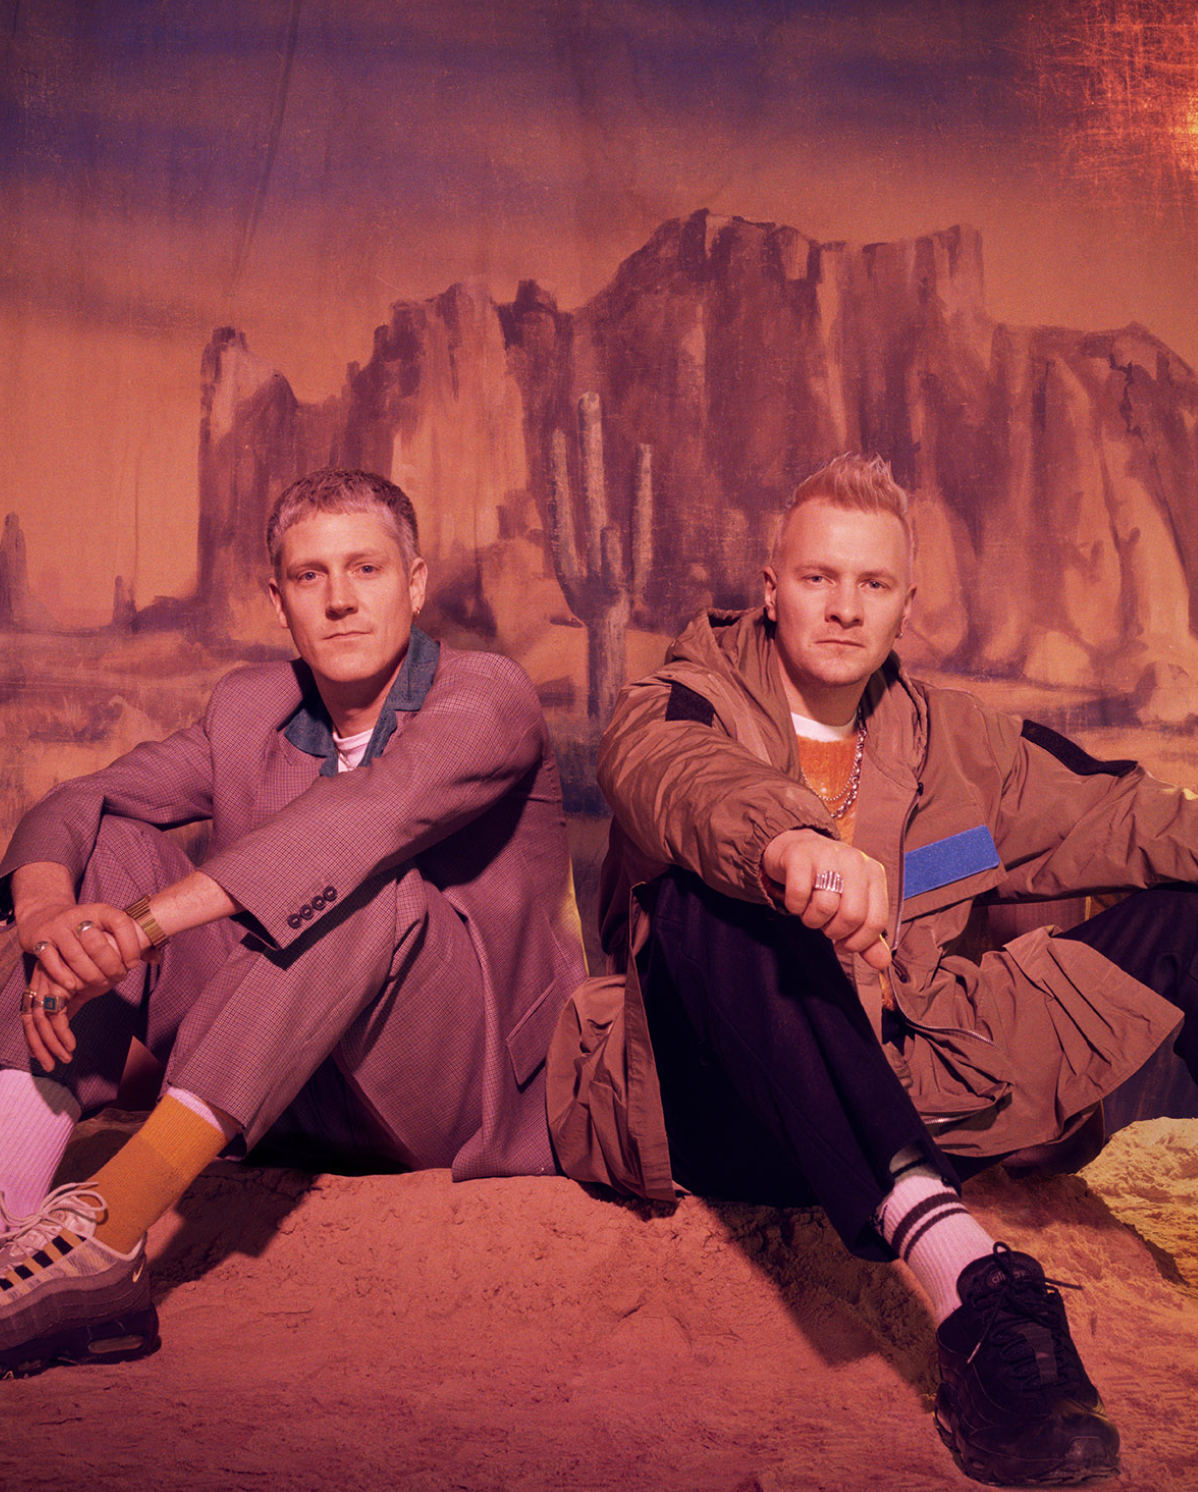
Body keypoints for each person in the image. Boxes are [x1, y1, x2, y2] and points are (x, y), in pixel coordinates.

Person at [549, 453, 1198, 1487]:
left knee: (1189, 915)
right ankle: (970, 1287)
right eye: (817, 579)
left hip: (904, 1075)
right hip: (716, 1100)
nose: (843, 608)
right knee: (711, 889)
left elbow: (1125, 815)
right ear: (770, 588)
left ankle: (922, 1194)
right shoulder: (679, 700)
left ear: (905, 603)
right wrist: (785, 845)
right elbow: (671, 779)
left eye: (871, 584)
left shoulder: (957, 746)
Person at [0, 467, 587, 1379]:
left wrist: (143, 926)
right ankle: (7, 1202)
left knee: (362, 876)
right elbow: (85, 797)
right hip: (282, 1075)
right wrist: (46, 919)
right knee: (109, 844)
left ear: (416, 582)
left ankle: (107, 1235)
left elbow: (363, 821)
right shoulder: (250, 708)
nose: (342, 601)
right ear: (279, 601)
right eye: (311, 577)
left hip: (449, 1086)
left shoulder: (488, 696)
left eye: (367, 570)